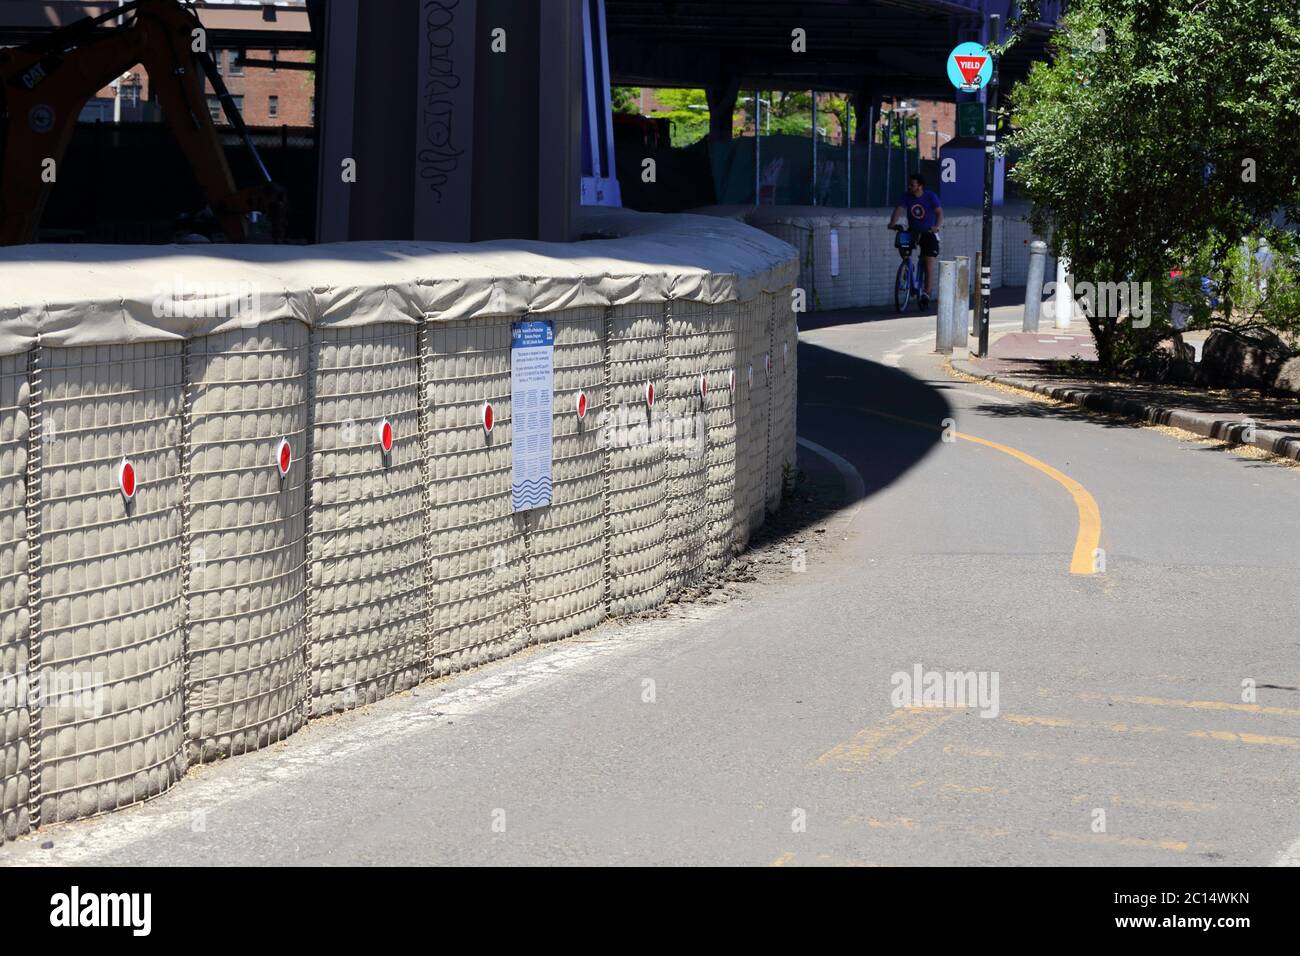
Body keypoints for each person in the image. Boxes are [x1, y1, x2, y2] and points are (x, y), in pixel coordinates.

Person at [889, 174, 944, 307]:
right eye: (909, 184)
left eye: (912, 185)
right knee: (901, 246)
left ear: (920, 186)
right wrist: (892, 223)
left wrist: (937, 226)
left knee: (928, 262)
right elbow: (899, 210)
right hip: (913, 231)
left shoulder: (930, 196)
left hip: (928, 232)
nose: (909, 187)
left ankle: (926, 293)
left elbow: (939, 213)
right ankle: (908, 268)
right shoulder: (906, 196)